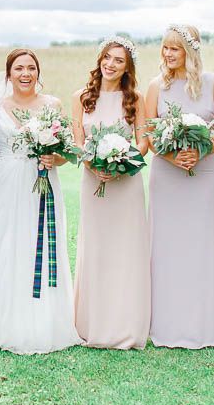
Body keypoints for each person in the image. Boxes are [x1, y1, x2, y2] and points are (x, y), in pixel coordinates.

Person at [0, 49, 80, 354]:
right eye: (19, 68)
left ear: (38, 73)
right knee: (8, 245)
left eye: (31, 68)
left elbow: (66, 153)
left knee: (41, 246)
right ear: (9, 74)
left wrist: (53, 158)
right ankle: (4, 320)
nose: (25, 73)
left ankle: (45, 320)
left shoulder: (52, 105)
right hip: (7, 186)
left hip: (43, 185)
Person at [72, 37, 150, 349]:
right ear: (100, 59)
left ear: (128, 67)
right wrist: (93, 165)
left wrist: (122, 165)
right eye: (107, 57)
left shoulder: (135, 98)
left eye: (119, 60)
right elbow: (77, 141)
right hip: (93, 183)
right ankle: (91, 324)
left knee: (125, 250)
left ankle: (124, 325)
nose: (111, 64)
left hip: (126, 184)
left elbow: (143, 141)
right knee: (97, 248)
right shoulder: (82, 97)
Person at [145, 25, 214, 349]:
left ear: (191, 51)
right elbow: (149, 134)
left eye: (175, 48)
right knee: (167, 247)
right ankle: (167, 324)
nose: (168, 54)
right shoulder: (156, 86)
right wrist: (173, 156)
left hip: (205, 175)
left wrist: (201, 149)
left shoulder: (210, 83)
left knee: (201, 248)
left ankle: (203, 322)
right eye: (165, 48)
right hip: (168, 177)